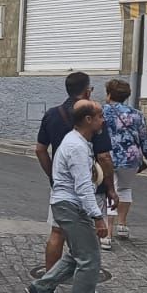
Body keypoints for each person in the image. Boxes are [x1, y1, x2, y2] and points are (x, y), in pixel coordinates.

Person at [26, 100, 111, 293]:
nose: (104, 120)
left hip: (68, 204)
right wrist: (97, 216)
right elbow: (83, 185)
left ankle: (42, 286)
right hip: (70, 205)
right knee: (90, 258)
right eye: (100, 116)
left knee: (76, 255)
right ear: (88, 120)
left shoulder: (78, 142)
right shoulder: (76, 146)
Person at [36, 72, 115, 267]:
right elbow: (104, 157)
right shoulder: (93, 116)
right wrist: (111, 187)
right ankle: (87, 282)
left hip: (61, 188)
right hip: (90, 186)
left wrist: (53, 176)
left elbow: (40, 150)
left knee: (57, 232)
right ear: (88, 91)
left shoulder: (52, 114)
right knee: (89, 236)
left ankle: (50, 280)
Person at [101, 79, 147, 240]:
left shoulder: (101, 111)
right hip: (131, 158)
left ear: (109, 94)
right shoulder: (136, 114)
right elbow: (145, 139)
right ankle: (122, 225)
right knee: (125, 189)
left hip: (108, 157)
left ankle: (107, 234)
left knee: (110, 191)